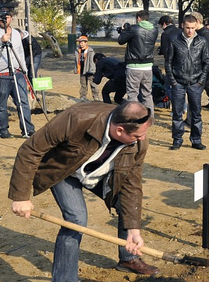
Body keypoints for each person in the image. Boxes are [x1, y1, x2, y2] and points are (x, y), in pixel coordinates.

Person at [9, 102, 159, 280]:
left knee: (128, 206)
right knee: (76, 218)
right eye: (137, 135)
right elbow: (31, 149)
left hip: (101, 173)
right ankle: (65, 278)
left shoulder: (138, 143)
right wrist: (20, 196)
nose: (142, 138)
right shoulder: (76, 118)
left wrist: (133, 229)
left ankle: (128, 258)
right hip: (64, 171)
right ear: (119, 130)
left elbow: (131, 185)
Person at [0, 8, 35, 138]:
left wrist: (25, 71)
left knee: (23, 103)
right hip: (0, 73)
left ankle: (28, 130)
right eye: (1, 17)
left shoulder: (16, 33)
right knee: (1, 104)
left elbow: (20, 53)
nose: (4, 20)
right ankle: (2, 130)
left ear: (11, 18)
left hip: (17, 73)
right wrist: (0, 41)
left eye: (7, 17)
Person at [166, 15, 209, 150]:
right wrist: (173, 81)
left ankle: (196, 140)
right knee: (177, 113)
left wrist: (200, 81)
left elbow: (206, 62)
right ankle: (177, 140)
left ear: (196, 26)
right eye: (187, 28)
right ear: (182, 26)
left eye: (192, 28)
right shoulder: (174, 40)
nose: (190, 31)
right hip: (178, 82)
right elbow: (168, 62)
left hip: (195, 83)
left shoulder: (202, 41)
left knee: (196, 113)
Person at [118, 10, 158, 115]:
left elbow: (121, 41)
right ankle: (150, 117)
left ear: (138, 18)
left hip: (134, 66)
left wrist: (123, 31)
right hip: (148, 66)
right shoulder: (154, 30)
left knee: (132, 94)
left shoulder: (134, 29)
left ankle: (134, 117)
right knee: (147, 94)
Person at [75, 35, 100, 101]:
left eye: (82, 42)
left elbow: (92, 61)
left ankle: (96, 97)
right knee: (83, 84)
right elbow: (77, 60)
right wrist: (76, 68)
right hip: (82, 70)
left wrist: (92, 70)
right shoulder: (78, 50)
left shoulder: (90, 51)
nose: (80, 44)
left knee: (92, 84)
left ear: (86, 43)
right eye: (79, 42)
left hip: (89, 70)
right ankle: (83, 97)